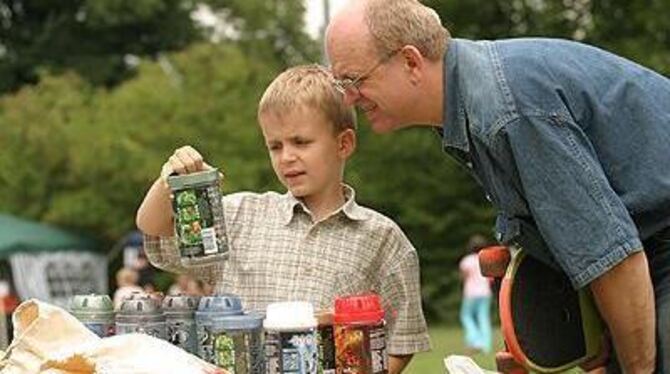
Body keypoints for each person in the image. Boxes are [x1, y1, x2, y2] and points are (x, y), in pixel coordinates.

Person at [325, 0, 670, 371]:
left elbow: (613, 257)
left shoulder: (506, 113)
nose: (347, 97)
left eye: (354, 80)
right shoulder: (476, 102)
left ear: (411, 61)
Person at [135, 65, 430, 372]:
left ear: (344, 144)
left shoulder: (383, 238)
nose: (286, 156)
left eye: (300, 142)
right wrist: (170, 179)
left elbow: (401, 342)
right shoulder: (238, 215)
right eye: (275, 146)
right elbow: (154, 229)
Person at [459, 235, 492, 354]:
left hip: (471, 293)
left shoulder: (466, 260)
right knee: (483, 318)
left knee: (466, 316)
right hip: (485, 292)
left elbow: (463, 277)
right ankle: (486, 346)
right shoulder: (486, 259)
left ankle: (476, 341)